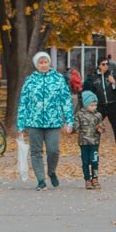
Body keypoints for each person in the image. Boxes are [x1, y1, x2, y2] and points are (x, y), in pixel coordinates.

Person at [17, 52, 74, 190]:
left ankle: (51, 171)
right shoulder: (30, 81)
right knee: (36, 152)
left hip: (53, 122)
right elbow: (23, 103)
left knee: (53, 150)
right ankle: (41, 180)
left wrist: (69, 121)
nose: (43, 65)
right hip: (33, 122)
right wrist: (20, 124)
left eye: (45, 62)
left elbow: (66, 101)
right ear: (37, 65)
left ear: (49, 63)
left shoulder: (58, 79)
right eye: (40, 63)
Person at [84, 57, 116, 155]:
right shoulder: (94, 78)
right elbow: (88, 91)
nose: (106, 66)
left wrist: (114, 82)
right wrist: (91, 103)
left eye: (107, 64)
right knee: (96, 126)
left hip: (112, 104)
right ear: (99, 65)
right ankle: (94, 148)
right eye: (103, 64)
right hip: (100, 106)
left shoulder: (113, 75)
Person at [75, 90, 104, 190]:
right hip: (84, 142)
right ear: (86, 105)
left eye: (95, 105)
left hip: (95, 142)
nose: (94, 107)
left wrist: (100, 129)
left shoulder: (98, 115)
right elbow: (76, 127)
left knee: (95, 161)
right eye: (91, 105)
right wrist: (74, 128)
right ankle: (87, 179)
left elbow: (102, 126)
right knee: (85, 161)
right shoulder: (79, 114)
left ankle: (95, 178)